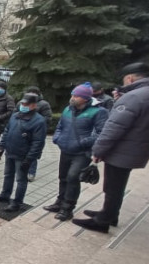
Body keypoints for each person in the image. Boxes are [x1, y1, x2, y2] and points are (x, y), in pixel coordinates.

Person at [73, 63, 149, 233]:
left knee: (113, 186)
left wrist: (98, 150)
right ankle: (110, 213)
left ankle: (103, 221)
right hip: (138, 146)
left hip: (123, 147)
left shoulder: (135, 97)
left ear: (130, 78)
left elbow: (114, 127)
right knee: (117, 185)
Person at [43, 83, 108, 222]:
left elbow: (101, 133)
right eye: (72, 94)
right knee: (63, 176)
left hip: (81, 153)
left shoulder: (98, 112)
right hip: (65, 149)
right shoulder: (68, 109)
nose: (72, 97)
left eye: (76, 96)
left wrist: (82, 143)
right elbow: (60, 126)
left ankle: (67, 209)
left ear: (85, 98)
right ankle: (59, 202)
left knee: (73, 177)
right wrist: (56, 138)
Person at [0, 93, 47, 212]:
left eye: (26, 104)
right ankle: (5, 195)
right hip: (10, 151)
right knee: (8, 175)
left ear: (33, 105)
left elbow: (38, 142)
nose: (23, 105)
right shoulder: (15, 115)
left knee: (21, 180)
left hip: (22, 156)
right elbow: (7, 130)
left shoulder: (39, 121)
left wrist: (29, 159)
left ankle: (17, 202)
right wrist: (1, 146)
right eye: (22, 103)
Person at [24, 86, 52, 181]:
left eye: (33, 93)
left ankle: (31, 173)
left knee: (33, 153)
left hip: (36, 133)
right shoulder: (23, 103)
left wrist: (34, 122)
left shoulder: (44, 104)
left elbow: (47, 118)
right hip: (24, 132)